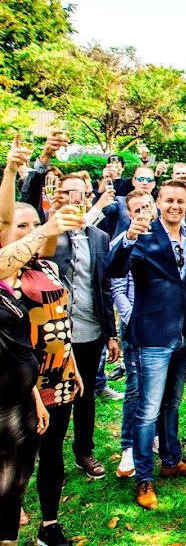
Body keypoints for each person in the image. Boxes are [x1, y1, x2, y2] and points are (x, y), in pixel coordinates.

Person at [106, 179, 186, 510]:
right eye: (169, 200)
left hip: (183, 333)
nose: (176, 206)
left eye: (181, 200)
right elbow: (114, 268)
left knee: (172, 403)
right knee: (147, 409)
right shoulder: (143, 234)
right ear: (158, 202)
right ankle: (144, 478)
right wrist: (130, 237)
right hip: (151, 332)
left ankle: (172, 459)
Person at [0, 142, 81, 546]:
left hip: (60, 374)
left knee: (52, 454)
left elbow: (60, 321)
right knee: (15, 462)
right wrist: (17, 172)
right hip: (23, 384)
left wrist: (74, 366)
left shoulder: (47, 265)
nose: (31, 231)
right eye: (21, 226)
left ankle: (49, 525)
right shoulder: (5, 277)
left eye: (36, 224)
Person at [40, 174, 119, 481]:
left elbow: (104, 286)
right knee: (55, 396)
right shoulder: (48, 236)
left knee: (84, 396)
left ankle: (84, 452)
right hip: (54, 335)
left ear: (89, 197)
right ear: (57, 196)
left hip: (90, 330)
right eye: (66, 192)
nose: (74, 198)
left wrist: (111, 334)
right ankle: (49, 452)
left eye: (80, 193)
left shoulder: (99, 237)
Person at [111, 191, 153, 480]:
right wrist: (134, 319)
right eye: (137, 208)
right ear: (128, 212)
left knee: (155, 387)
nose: (143, 212)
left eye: (147, 207)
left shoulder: (160, 239)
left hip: (159, 324)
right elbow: (117, 290)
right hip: (135, 323)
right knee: (136, 386)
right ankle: (128, 445)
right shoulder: (122, 243)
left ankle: (151, 437)